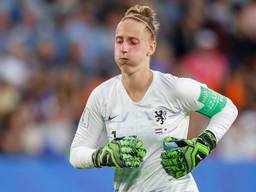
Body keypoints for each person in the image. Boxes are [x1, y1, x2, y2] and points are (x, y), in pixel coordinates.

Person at [69, 4, 238, 192]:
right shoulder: (102, 95)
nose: (124, 48)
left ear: (151, 46)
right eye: (119, 41)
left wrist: (204, 143)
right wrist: (103, 156)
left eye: (133, 41)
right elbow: (76, 154)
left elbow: (227, 108)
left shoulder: (175, 88)